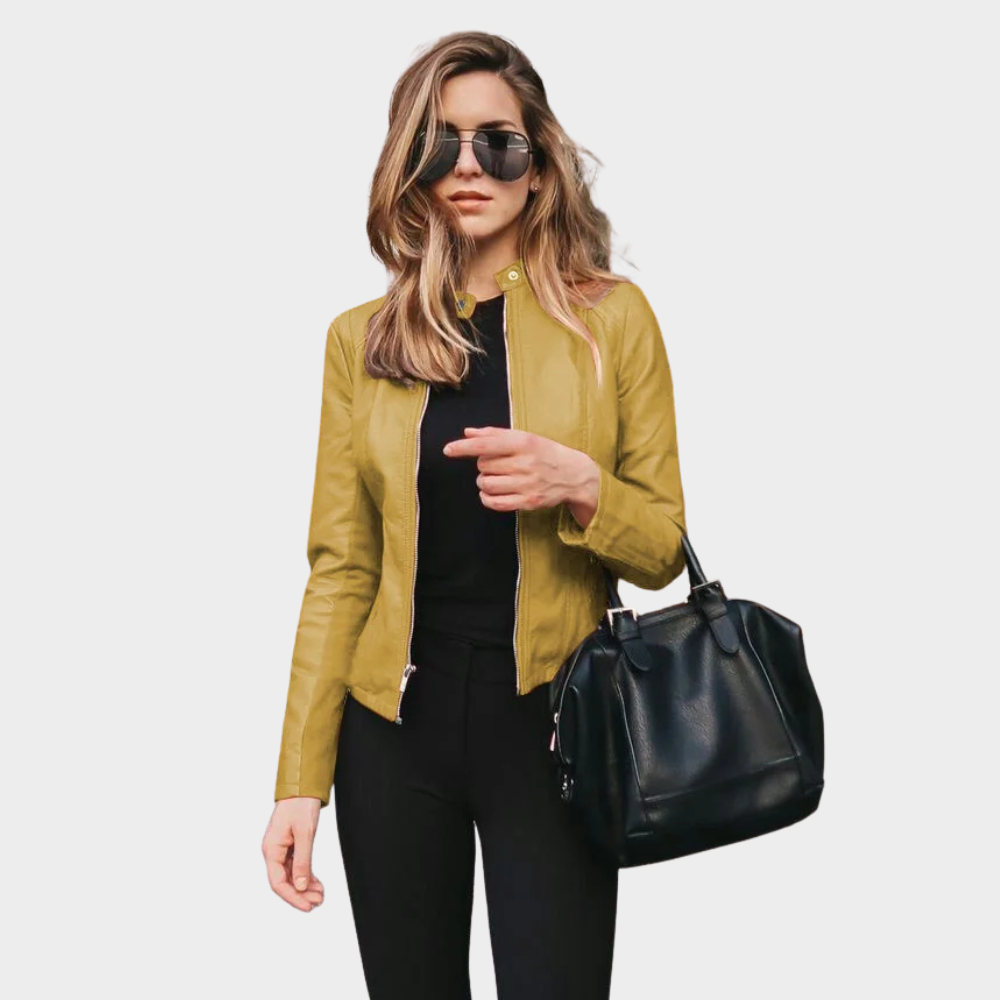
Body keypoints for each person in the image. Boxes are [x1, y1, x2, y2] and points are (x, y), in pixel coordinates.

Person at [261, 30, 687, 1000]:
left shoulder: (612, 320)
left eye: (496, 142)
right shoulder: (362, 342)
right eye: (440, 143)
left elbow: (662, 544)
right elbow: (341, 569)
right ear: (410, 166)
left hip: (556, 729)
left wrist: (581, 484)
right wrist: (299, 780)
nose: (468, 166)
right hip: (391, 735)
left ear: (537, 166)